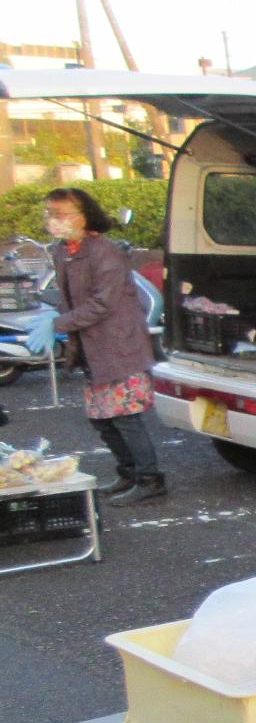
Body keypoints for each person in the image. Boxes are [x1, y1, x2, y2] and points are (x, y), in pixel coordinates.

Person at [31, 188, 166, 505]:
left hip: (118, 346)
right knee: (102, 419)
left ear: (84, 215)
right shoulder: (64, 251)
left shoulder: (104, 251)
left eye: (62, 214)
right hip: (93, 348)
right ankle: (129, 473)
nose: (55, 220)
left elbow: (102, 304)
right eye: (51, 213)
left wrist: (57, 324)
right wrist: (56, 317)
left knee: (125, 417)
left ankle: (151, 479)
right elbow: (70, 298)